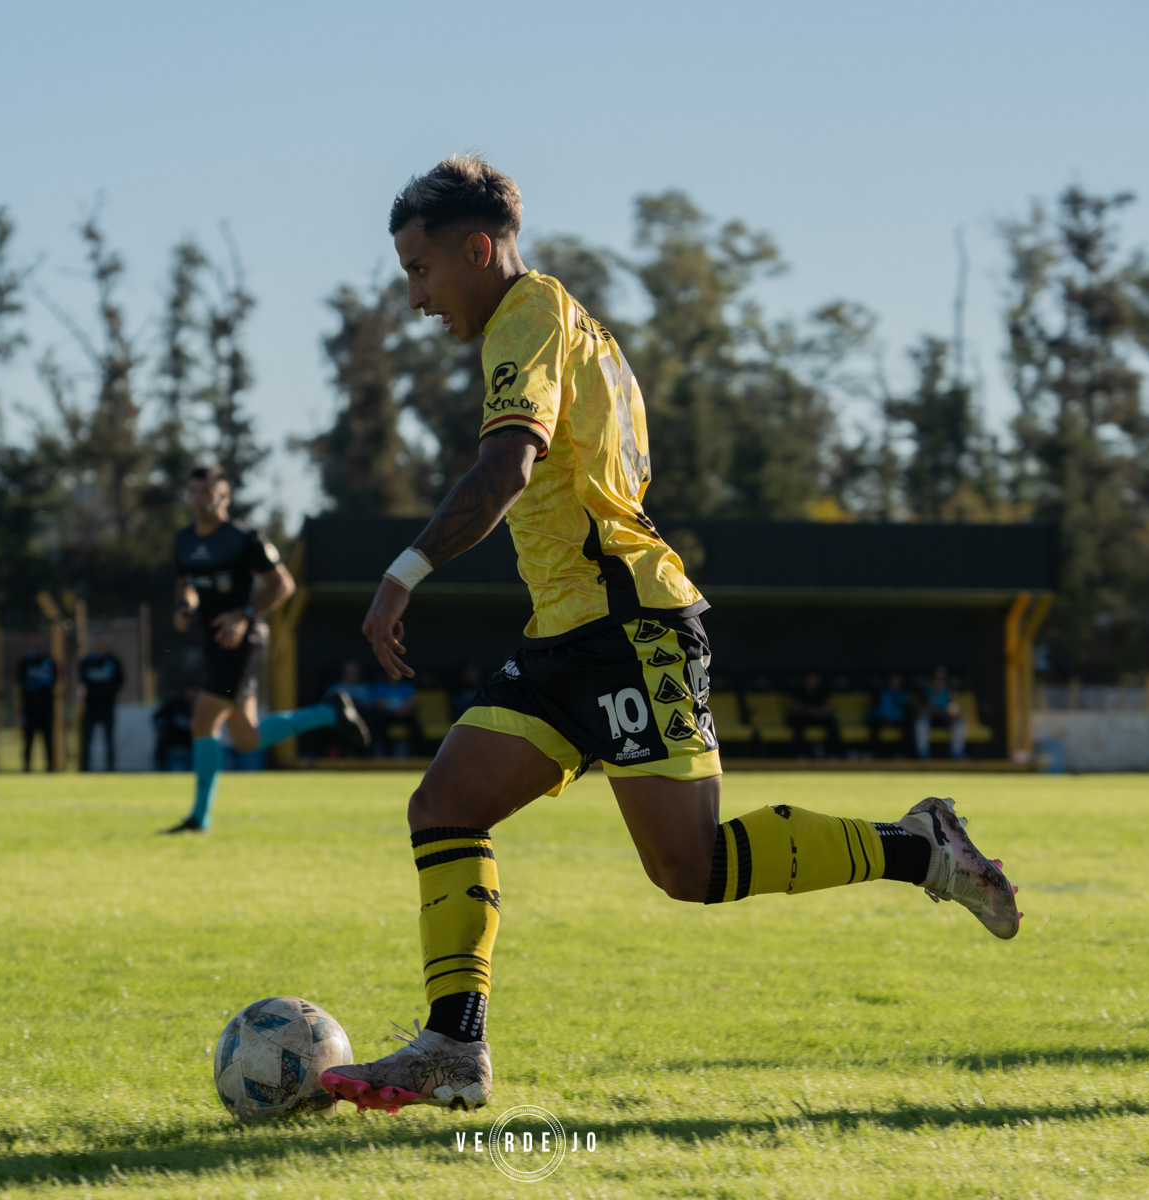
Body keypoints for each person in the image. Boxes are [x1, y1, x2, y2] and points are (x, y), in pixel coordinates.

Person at [318, 156, 1021, 1115]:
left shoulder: (527, 320)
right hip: (566, 633)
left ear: (478, 249)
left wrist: (401, 576)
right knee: (443, 807)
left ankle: (920, 847)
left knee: (690, 869)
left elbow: (506, 470)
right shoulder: (571, 327)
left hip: (630, 627)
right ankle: (453, 1047)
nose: (415, 298)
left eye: (420, 270)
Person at [161, 467, 370, 834]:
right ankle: (328, 712)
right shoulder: (183, 540)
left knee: (202, 719)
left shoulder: (245, 538)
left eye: (207, 491)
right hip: (215, 642)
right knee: (247, 738)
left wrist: (243, 614)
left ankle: (199, 818)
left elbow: (283, 585)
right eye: (194, 491)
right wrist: (185, 607)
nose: (199, 498)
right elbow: (186, 585)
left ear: (224, 496)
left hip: (243, 643)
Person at [78, 637, 124, 772]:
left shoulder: (113, 661)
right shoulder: (87, 661)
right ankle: (84, 769)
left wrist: (109, 692)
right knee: (87, 740)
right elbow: (82, 678)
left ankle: (110, 769)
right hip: (91, 706)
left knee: (109, 740)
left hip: (107, 706)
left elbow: (120, 680)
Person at [17, 642, 58, 772]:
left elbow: (55, 679)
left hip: (46, 710)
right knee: (28, 741)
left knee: (48, 741)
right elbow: (20, 681)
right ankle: (26, 768)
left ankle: (50, 768)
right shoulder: (25, 662)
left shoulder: (50, 662)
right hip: (30, 710)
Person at [785, 670, 843, 758]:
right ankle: (800, 754)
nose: (812, 681)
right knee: (798, 725)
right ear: (806, 679)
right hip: (803, 717)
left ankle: (833, 754)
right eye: (810, 679)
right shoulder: (799, 690)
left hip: (818, 717)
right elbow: (795, 707)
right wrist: (809, 711)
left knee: (832, 724)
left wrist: (818, 712)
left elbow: (828, 708)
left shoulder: (822, 691)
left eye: (814, 679)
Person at [915, 665, 967, 760]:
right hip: (929, 719)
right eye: (936, 678)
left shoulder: (949, 690)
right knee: (920, 722)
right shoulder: (924, 689)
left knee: (959, 721)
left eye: (941, 678)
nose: (938, 681)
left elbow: (953, 708)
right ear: (931, 678)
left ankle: (957, 754)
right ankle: (923, 755)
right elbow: (920, 709)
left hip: (944, 719)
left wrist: (951, 712)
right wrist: (932, 710)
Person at [866, 672, 913, 758]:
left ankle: (904, 754)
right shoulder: (881, 692)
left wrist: (893, 720)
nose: (896, 683)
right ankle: (876, 754)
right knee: (874, 726)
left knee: (909, 727)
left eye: (898, 681)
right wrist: (886, 719)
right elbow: (879, 710)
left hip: (897, 720)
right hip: (881, 719)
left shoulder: (903, 694)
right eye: (894, 680)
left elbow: (905, 711)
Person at [154, 684, 199, 772]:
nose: (193, 695)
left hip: (190, 747)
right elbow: (157, 717)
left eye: (196, 692)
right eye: (191, 691)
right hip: (172, 745)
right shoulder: (173, 704)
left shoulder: (200, 706)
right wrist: (158, 728)